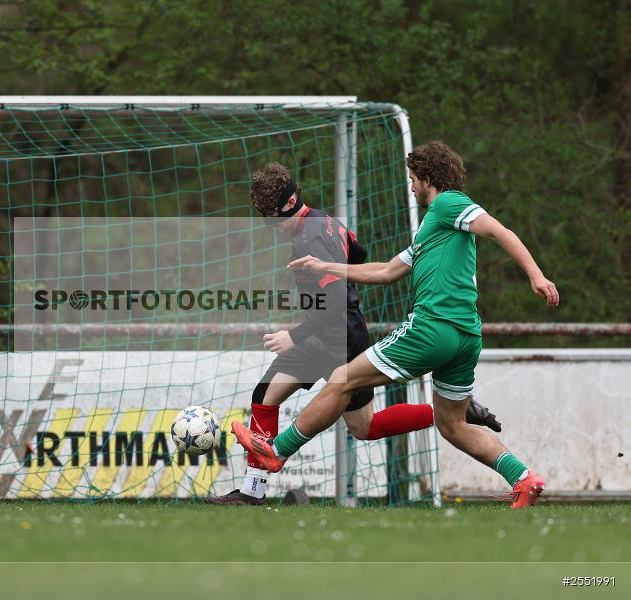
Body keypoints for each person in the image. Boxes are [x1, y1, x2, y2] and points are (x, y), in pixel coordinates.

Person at [234, 144, 559, 508]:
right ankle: (524, 477)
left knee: (342, 380)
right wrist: (326, 268)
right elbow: (386, 271)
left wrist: (536, 275)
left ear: (428, 179)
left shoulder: (447, 203)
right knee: (452, 425)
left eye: (412, 180)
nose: (411, 188)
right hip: (467, 335)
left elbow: (499, 231)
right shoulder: (432, 229)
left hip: (432, 327)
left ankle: (275, 452)